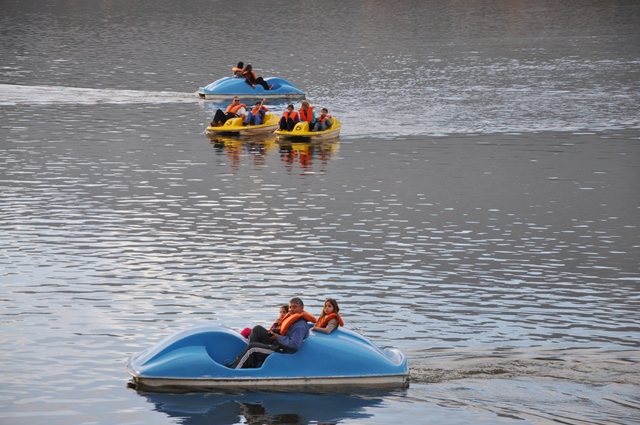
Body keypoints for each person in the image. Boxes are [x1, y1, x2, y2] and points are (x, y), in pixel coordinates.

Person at [230, 297, 316, 369]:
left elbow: (294, 345)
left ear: (302, 308)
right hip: (278, 343)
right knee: (257, 329)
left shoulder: (300, 326)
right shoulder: (292, 319)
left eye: (295, 307)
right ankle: (252, 362)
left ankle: (235, 370)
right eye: (290, 307)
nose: (291, 310)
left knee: (252, 348)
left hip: (282, 350)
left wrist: (277, 337)